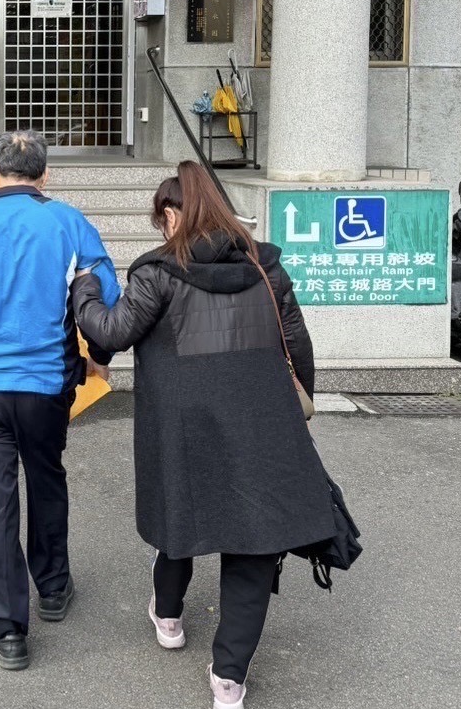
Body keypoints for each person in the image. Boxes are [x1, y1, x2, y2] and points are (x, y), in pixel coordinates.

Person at [71, 160, 335, 709]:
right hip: (263, 424)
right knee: (254, 545)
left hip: (184, 427)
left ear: (172, 215)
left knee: (181, 516)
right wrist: (297, 407)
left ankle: (168, 618)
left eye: (160, 220)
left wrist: (85, 288)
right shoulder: (266, 266)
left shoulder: (158, 273)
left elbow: (111, 333)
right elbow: (297, 341)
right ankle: (229, 679)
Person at [0, 129, 119, 670]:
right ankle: (53, 588)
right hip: (49, 384)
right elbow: (107, 295)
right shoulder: (68, 222)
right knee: (47, 477)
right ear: (44, 174)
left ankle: (7, 629)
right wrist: (100, 355)